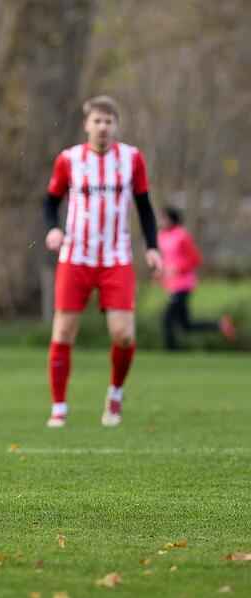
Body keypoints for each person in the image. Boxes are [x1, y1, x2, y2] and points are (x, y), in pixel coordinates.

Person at [43, 95, 163, 428]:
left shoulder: (131, 159)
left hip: (116, 256)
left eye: (108, 121)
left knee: (123, 335)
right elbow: (49, 203)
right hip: (76, 256)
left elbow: (145, 206)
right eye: (97, 121)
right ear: (86, 124)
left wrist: (153, 246)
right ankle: (59, 407)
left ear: (116, 125)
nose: (103, 127)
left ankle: (115, 394)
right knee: (64, 331)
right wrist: (53, 229)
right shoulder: (68, 160)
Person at [157, 206, 237, 350]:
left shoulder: (182, 235)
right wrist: (160, 272)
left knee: (167, 320)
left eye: (164, 218)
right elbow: (166, 260)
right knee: (186, 325)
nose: (162, 221)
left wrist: (178, 269)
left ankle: (171, 353)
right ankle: (221, 325)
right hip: (171, 285)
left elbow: (196, 259)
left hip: (183, 285)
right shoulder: (161, 236)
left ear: (172, 219)